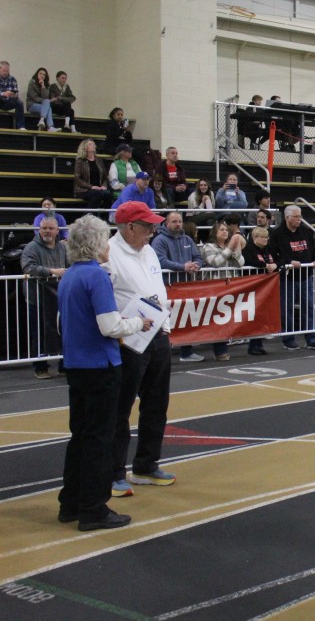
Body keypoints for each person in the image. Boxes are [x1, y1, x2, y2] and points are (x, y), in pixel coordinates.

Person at [57, 214, 152, 531]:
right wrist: (138, 323)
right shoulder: (96, 276)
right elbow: (109, 326)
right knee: (99, 439)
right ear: (97, 243)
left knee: (80, 437)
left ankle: (71, 502)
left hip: (77, 365)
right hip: (100, 366)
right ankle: (93, 509)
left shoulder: (69, 276)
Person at [106, 201, 176, 498]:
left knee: (156, 404)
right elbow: (105, 299)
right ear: (130, 227)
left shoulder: (148, 251)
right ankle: (113, 472)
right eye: (147, 226)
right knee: (120, 408)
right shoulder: (108, 253)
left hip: (157, 335)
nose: (152, 231)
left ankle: (146, 465)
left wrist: (165, 327)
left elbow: (158, 290)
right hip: (128, 340)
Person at [151, 211, 205, 362]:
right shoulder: (159, 240)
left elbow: (198, 257)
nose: (178, 224)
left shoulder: (187, 239)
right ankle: (162, 354)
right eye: (174, 222)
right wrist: (182, 267)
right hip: (167, 286)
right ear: (166, 223)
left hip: (185, 286)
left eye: (180, 221)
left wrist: (196, 265)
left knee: (186, 317)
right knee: (166, 319)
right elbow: (160, 261)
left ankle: (186, 352)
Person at [270, 204, 315, 351]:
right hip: (287, 278)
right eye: (296, 217)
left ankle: (311, 338)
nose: (299, 219)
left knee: (309, 308)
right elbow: (273, 255)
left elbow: (314, 248)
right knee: (287, 310)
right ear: (287, 217)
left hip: (306, 276)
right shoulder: (277, 234)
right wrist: (288, 262)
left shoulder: (306, 231)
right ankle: (288, 339)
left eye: (300, 216)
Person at [21, 216, 69, 378]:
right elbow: (28, 267)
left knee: (62, 331)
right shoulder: (31, 247)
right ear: (39, 230)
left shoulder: (63, 247)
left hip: (58, 298)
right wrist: (51, 271)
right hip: (37, 299)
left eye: (50, 228)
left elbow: (69, 265)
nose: (47, 231)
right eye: (44, 228)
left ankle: (64, 365)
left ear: (57, 231)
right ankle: (40, 368)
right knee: (38, 334)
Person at [200, 221, 245, 361]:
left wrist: (234, 250)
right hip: (214, 289)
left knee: (226, 319)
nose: (225, 232)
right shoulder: (208, 246)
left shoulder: (229, 247)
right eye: (221, 230)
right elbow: (215, 262)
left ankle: (222, 349)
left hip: (229, 288)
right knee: (214, 319)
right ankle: (218, 350)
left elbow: (241, 263)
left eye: (226, 230)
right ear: (215, 232)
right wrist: (229, 250)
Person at [242, 226, 279, 355]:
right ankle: (253, 345)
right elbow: (248, 262)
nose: (265, 240)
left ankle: (258, 344)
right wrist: (265, 265)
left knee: (262, 316)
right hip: (254, 286)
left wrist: (275, 265)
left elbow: (278, 260)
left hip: (266, 287)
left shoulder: (268, 249)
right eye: (262, 237)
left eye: (266, 237)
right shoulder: (248, 249)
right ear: (254, 237)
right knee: (254, 315)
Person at [74, 139, 114, 211]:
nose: (93, 145)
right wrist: (91, 187)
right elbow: (77, 179)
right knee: (97, 194)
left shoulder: (99, 160)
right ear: (84, 148)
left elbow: (105, 177)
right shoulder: (80, 161)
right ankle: (88, 215)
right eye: (90, 144)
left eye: (93, 144)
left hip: (99, 188)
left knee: (108, 194)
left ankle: (106, 215)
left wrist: (104, 186)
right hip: (84, 190)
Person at [26, 67, 59, 132]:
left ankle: (43, 121)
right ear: (37, 74)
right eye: (40, 73)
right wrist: (47, 101)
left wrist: (43, 86)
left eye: (44, 74)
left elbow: (45, 96)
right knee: (48, 106)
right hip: (32, 105)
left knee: (48, 107)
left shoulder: (47, 84)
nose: (42, 75)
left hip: (43, 106)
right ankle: (49, 126)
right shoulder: (32, 82)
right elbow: (34, 97)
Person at [0, 60, 26, 129]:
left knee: (19, 103)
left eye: (7, 71)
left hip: (9, 101)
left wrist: (13, 95)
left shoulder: (13, 79)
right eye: (4, 70)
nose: (5, 72)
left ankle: (21, 126)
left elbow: (16, 92)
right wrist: (3, 94)